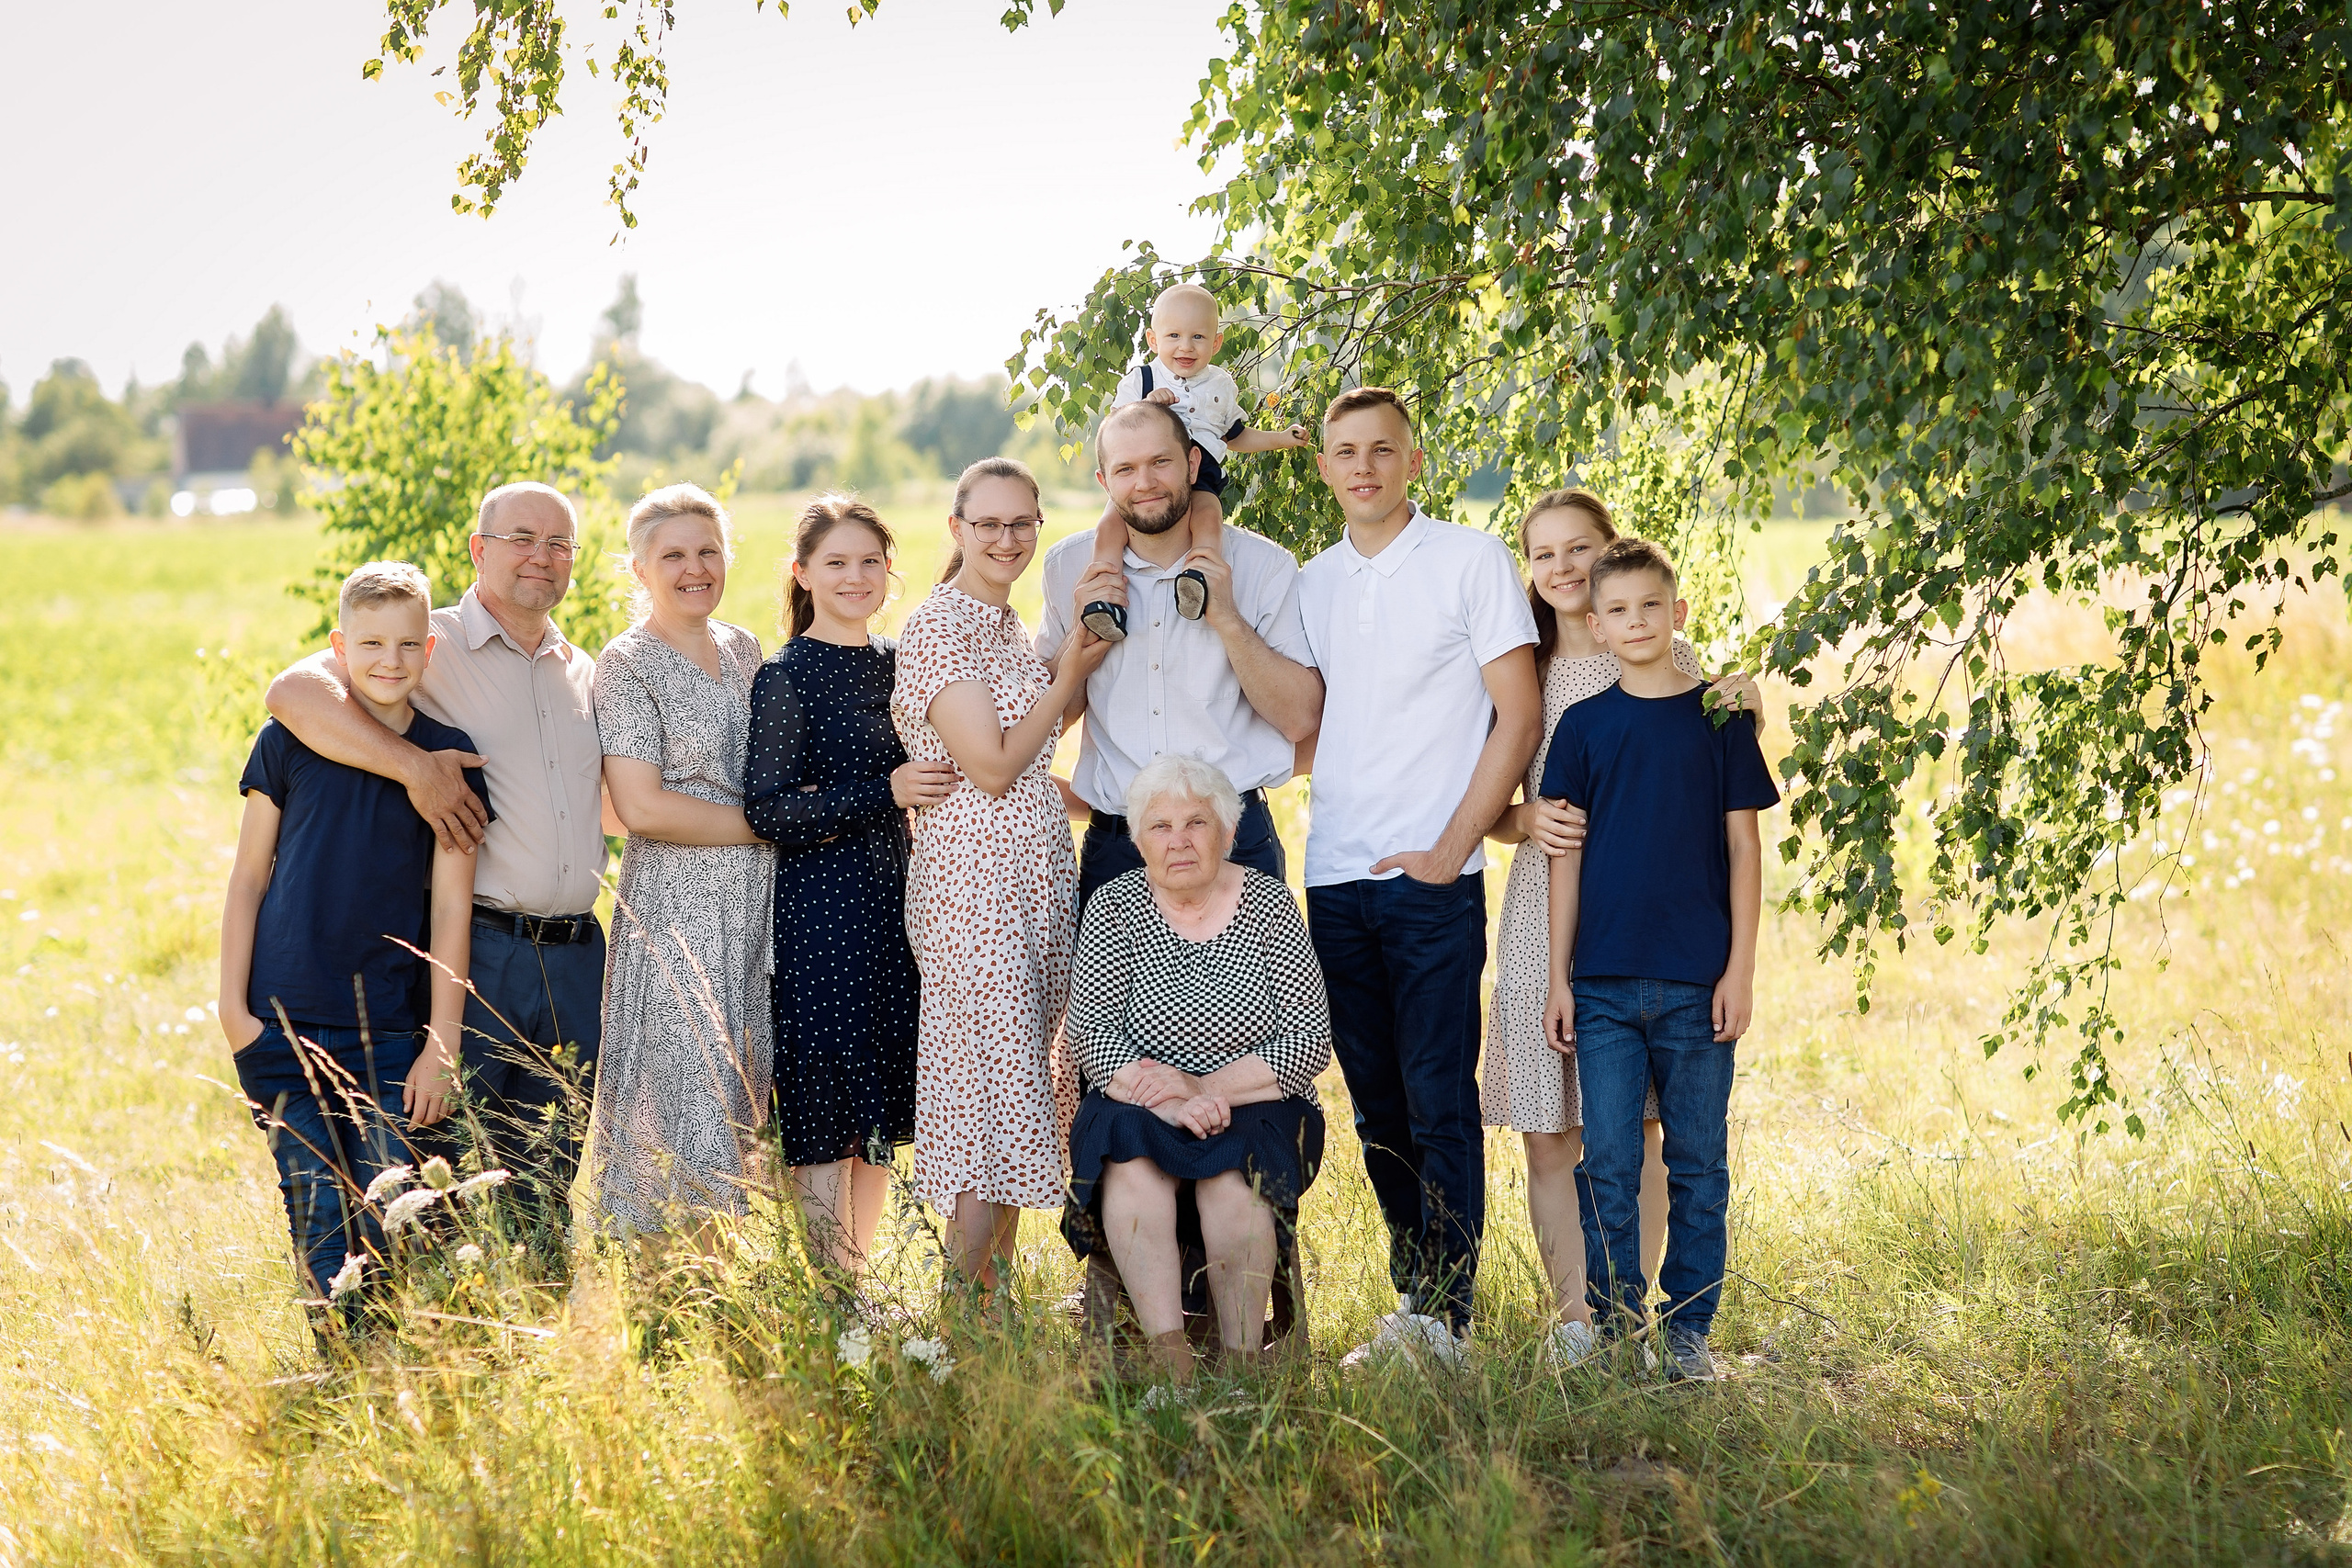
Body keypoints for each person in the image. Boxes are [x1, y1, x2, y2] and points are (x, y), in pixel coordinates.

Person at [265, 481, 607, 1248]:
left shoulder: (583, 670)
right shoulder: (430, 643)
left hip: (579, 958)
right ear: (479, 549)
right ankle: (453, 1345)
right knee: (446, 1176)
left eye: (559, 543)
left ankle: (545, 1347)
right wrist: (413, 767)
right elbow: (291, 690)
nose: (541, 556)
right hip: (476, 949)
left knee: (548, 1178)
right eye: (521, 537)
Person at [1483, 487, 1762, 1368]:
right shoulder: (1515, 663)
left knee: (1640, 1129)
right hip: (1552, 913)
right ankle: (1581, 1322)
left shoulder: (1664, 649)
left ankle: (1651, 1329)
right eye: (1545, 554)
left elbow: (1719, 763)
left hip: (1662, 930)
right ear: (1530, 571)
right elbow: (1481, 797)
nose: (1563, 568)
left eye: (1580, 549)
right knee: (1551, 1126)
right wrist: (1522, 820)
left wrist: (1754, 697)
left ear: (1611, 554)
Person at [1295, 385, 1544, 1362]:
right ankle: (1416, 1299)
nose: (1363, 467)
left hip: (1430, 878)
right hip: (1334, 873)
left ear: (1414, 460)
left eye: (1382, 450)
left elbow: (1516, 716)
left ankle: (1451, 1317)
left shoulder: (1468, 561)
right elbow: (1307, 723)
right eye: (1345, 452)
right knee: (1374, 1099)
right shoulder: (1312, 582)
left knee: (1438, 1091)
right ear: (1323, 468)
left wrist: (1454, 845)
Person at [220, 562, 490, 1331]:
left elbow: (451, 914)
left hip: (391, 1035)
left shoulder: (451, 757)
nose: (390, 661)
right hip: (282, 1025)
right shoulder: (290, 740)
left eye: (408, 644)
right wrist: (232, 1012)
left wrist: (440, 1043)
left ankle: (408, 1388)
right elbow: (247, 879)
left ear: (430, 649)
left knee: (398, 1222)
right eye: (370, 643)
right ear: (338, 646)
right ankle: (347, 1386)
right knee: (318, 1223)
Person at [1542, 537, 1779, 1382]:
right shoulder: (1584, 725)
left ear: (1677, 614)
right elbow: (1561, 859)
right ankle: (1615, 1328)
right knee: (1606, 1159)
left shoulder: (1719, 720)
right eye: (1618, 610)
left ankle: (1687, 1331)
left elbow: (1745, 852)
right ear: (1596, 625)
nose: (1635, 621)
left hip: (1696, 983)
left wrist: (1739, 969)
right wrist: (1557, 978)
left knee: (1697, 1162)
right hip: (1600, 985)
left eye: (1651, 606)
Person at [891, 457, 1109, 1289]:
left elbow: (1028, 765)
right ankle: (961, 1310)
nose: (1007, 539)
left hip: (1035, 875)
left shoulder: (1008, 625)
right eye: (988, 523)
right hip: (974, 882)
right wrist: (1072, 678)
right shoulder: (940, 625)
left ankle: (996, 1300)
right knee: (991, 1086)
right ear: (957, 528)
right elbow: (988, 764)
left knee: (1022, 1078)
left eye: (1023, 523)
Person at [1061, 757, 1331, 1384]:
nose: (1178, 839)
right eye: (1159, 825)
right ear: (1136, 839)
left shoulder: (1267, 903)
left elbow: (1310, 1039)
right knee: (1133, 1166)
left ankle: (1239, 1367)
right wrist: (1172, 1102)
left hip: (1258, 1099)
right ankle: (1171, 1360)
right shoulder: (1115, 905)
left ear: (1230, 833)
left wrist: (1207, 1089)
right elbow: (1092, 1035)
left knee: (1232, 1182)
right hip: (1140, 1098)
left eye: (1196, 822)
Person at [745, 494, 956, 1278]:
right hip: (820, 909)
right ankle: (830, 1292)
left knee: (874, 1101)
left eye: (871, 561)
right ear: (802, 573)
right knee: (826, 1098)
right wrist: (884, 791)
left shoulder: (901, 663)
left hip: (896, 905)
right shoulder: (787, 677)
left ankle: (858, 1282)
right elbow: (766, 809)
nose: (855, 576)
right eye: (836, 562)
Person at [1037, 400, 1324, 912]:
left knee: (1253, 995)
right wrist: (1076, 643)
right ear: (1105, 481)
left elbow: (1302, 717)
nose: (1144, 482)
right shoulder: (1068, 568)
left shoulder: (1265, 565)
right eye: (1126, 469)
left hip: (1235, 837)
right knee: (1112, 996)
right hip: (1118, 844)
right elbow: (1047, 723)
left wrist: (1227, 619)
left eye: (1160, 462)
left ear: (1193, 464)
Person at [593, 483, 776, 1240]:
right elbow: (642, 806)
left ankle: (723, 1291)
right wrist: (770, 829)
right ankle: (662, 1301)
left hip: (756, 906)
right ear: (639, 568)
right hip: (676, 908)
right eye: (673, 554)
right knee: (677, 1101)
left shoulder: (743, 648)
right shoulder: (627, 662)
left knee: (739, 1098)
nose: (694, 567)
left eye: (708, 551)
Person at [1077, 281, 1314, 640]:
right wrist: (1146, 406)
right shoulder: (1142, 378)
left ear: (1216, 343)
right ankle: (1105, 597)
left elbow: (1235, 437)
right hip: (1145, 464)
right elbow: (1116, 431)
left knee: (1208, 516)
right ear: (1154, 342)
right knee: (1110, 526)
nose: (1185, 347)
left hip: (1201, 469)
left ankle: (1197, 578)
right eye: (1173, 336)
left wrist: (1282, 439)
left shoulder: (1221, 385)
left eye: (1198, 338)